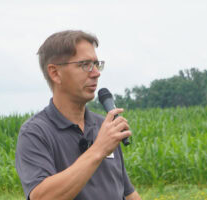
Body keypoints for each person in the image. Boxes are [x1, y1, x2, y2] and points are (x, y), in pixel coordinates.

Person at [15, 30, 141, 200]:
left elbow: (127, 192)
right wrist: (98, 149)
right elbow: (42, 197)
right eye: (85, 65)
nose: (96, 73)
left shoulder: (104, 126)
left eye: (97, 64)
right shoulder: (35, 133)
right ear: (55, 73)